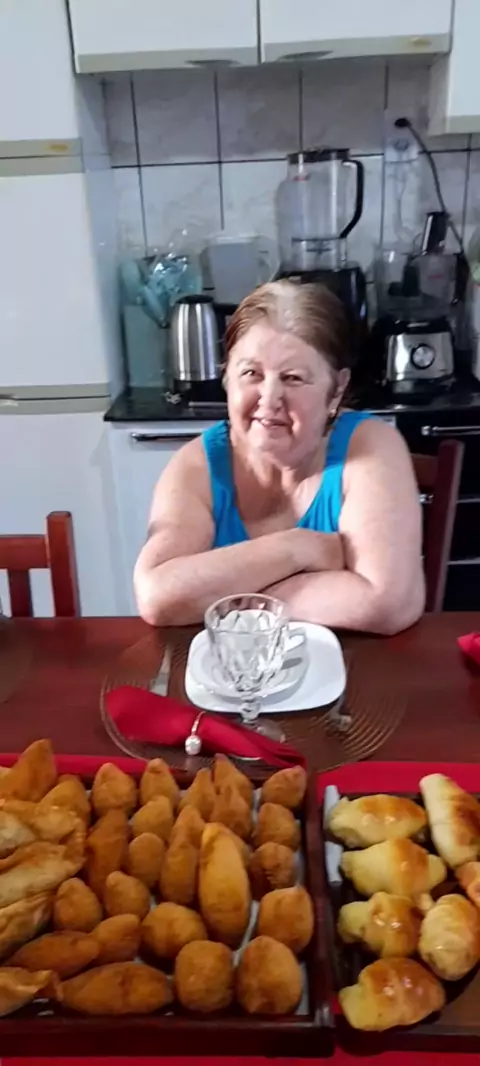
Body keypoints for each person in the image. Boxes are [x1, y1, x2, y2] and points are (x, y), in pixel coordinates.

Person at [134, 281, 424, 634]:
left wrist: (221, 596)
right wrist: (298, 548)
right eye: (251, 373)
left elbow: (387, 604)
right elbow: (158, 597)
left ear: (337, 389)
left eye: (293, 378)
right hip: (232, 668)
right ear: (227, 377)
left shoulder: (370, 446)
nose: (269, 398)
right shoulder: (197, 466)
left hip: (356, 664)